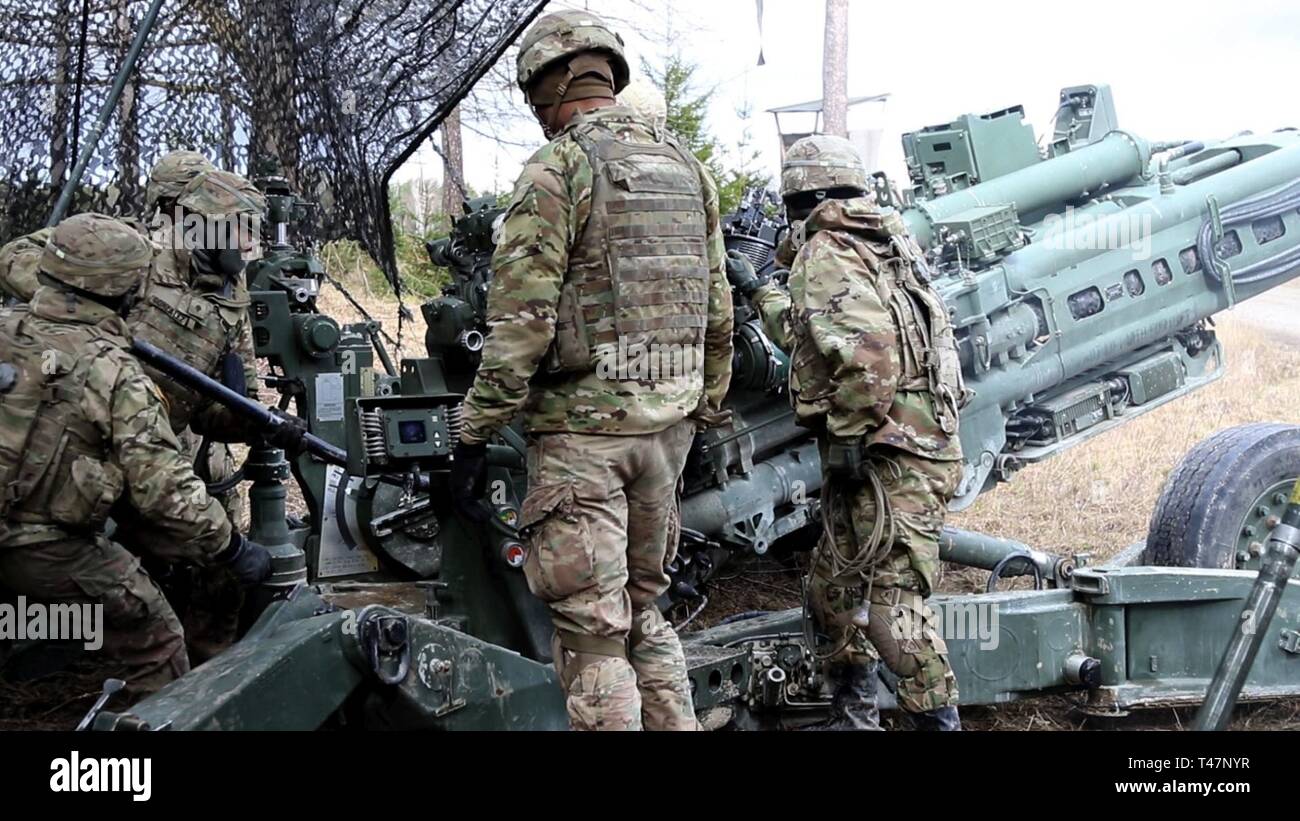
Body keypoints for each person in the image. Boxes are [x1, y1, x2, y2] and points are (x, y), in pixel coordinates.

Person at [448, 9, 733, 731]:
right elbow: (718, 312)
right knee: (643, 613)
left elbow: (521, 323)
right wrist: (701, 407)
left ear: (552, 83)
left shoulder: (559, 168)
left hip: (584, 442)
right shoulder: (686, 168)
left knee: (593, 638)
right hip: (665, 433)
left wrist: (474, 434)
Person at [726, 135, 965, 730]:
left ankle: (941, 723)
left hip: (889, 457)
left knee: (890, 612)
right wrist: (760, 292)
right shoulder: (885, 243)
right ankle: (853, 720)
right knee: (835, 596)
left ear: (804, 198)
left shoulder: (827, 248)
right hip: (902, 450)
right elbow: (816, 337)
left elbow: (866, 360)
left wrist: (851, 440)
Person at [0, 213, 271, 694]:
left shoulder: (7, 326)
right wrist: (233, 548)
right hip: (39, 546)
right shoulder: (116, 373)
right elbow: (166, 492)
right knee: (158, 641)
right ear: (126, 290)